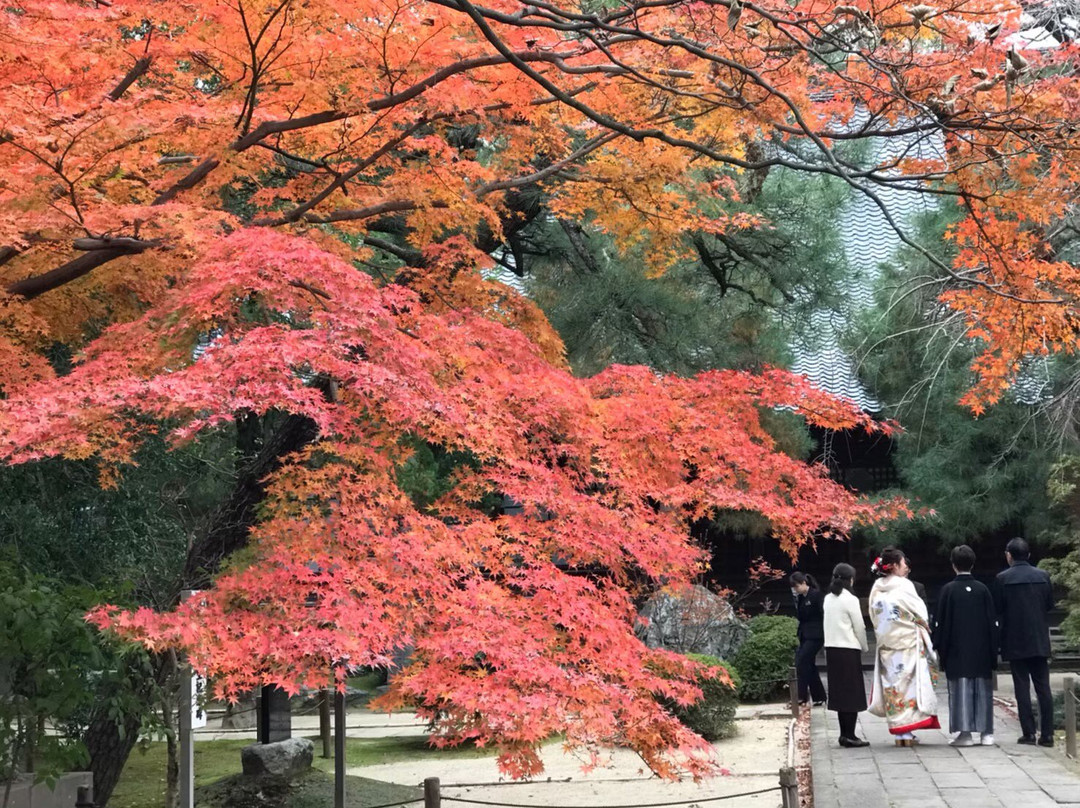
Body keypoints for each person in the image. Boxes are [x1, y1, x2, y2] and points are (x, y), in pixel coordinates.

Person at [867, 547, 940, 746]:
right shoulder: (904, 585)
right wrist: (922, 626)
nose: (906, 566)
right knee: (909, 687)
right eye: (903, 563)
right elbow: (920, 612)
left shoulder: (876, 588)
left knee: (893, 687)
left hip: (887, 644)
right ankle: (906, 732)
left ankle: (901, 734)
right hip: (907, 643)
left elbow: (874, 616)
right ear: (894, 566)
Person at [933, 545, 998, 747]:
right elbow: (992, 622)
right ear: (973, 563)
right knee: (983, 690)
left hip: (957, 650)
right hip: (982, 650)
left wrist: (940, 648)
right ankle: (987, 733)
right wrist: (994, 649)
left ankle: (965, 734)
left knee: (961, 690)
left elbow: (941, 623)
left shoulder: (948, 590)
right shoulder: (982, 589)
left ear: (953, 565)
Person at [995, 537, 1055, 746]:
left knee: (1021, 686)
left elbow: (998, 608)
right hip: (1038, 637)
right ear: (1028, 555)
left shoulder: (1002, 578)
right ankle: (1047, 734)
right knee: (1043, 687)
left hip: (1015, 638)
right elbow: (1049, 604)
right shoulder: (1043, 576)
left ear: (1009, 555)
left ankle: (1028, 733)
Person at [823, 563, 869, 747]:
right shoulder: (850, 599)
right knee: (851, 693)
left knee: (840, 693)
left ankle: (844, 734)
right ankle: (850, 734)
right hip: (848, 649)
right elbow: (859, 626)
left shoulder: (828, 599)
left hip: (832, 649)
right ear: (851, 579)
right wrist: (864, 646)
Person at [791, 572, 827, 705]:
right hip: (805, 634)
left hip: (816, 635)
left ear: (804, 583)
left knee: (801, 661)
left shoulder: (816, 595)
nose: (796, 590)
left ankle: (801, 696)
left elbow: (823, 614)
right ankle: (819, 696)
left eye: (797, 586)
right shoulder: (801, 597)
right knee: (809, 664)